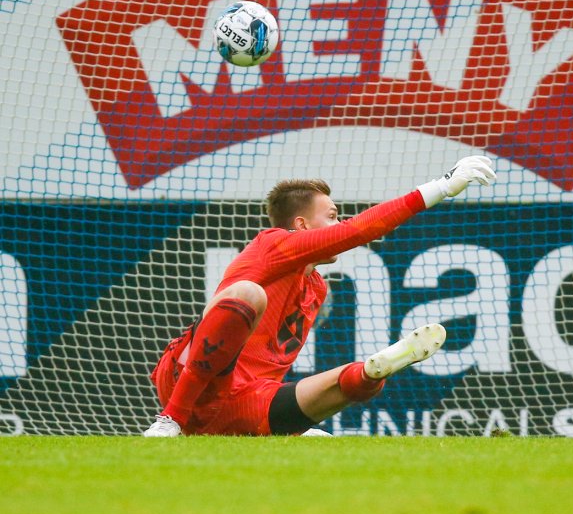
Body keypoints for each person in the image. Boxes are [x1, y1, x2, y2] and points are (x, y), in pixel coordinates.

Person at [143, 156, 497, 437]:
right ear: (301, 226)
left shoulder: (316, 287)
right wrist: (441, 187)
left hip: (245, 403)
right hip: (192, 384)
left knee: (357, 382)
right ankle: (169, 419)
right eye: (331, 216)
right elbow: (358, 231)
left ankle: (361, 378)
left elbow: (273, 365)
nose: (338, 223)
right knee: (248, 294)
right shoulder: (272, 244)